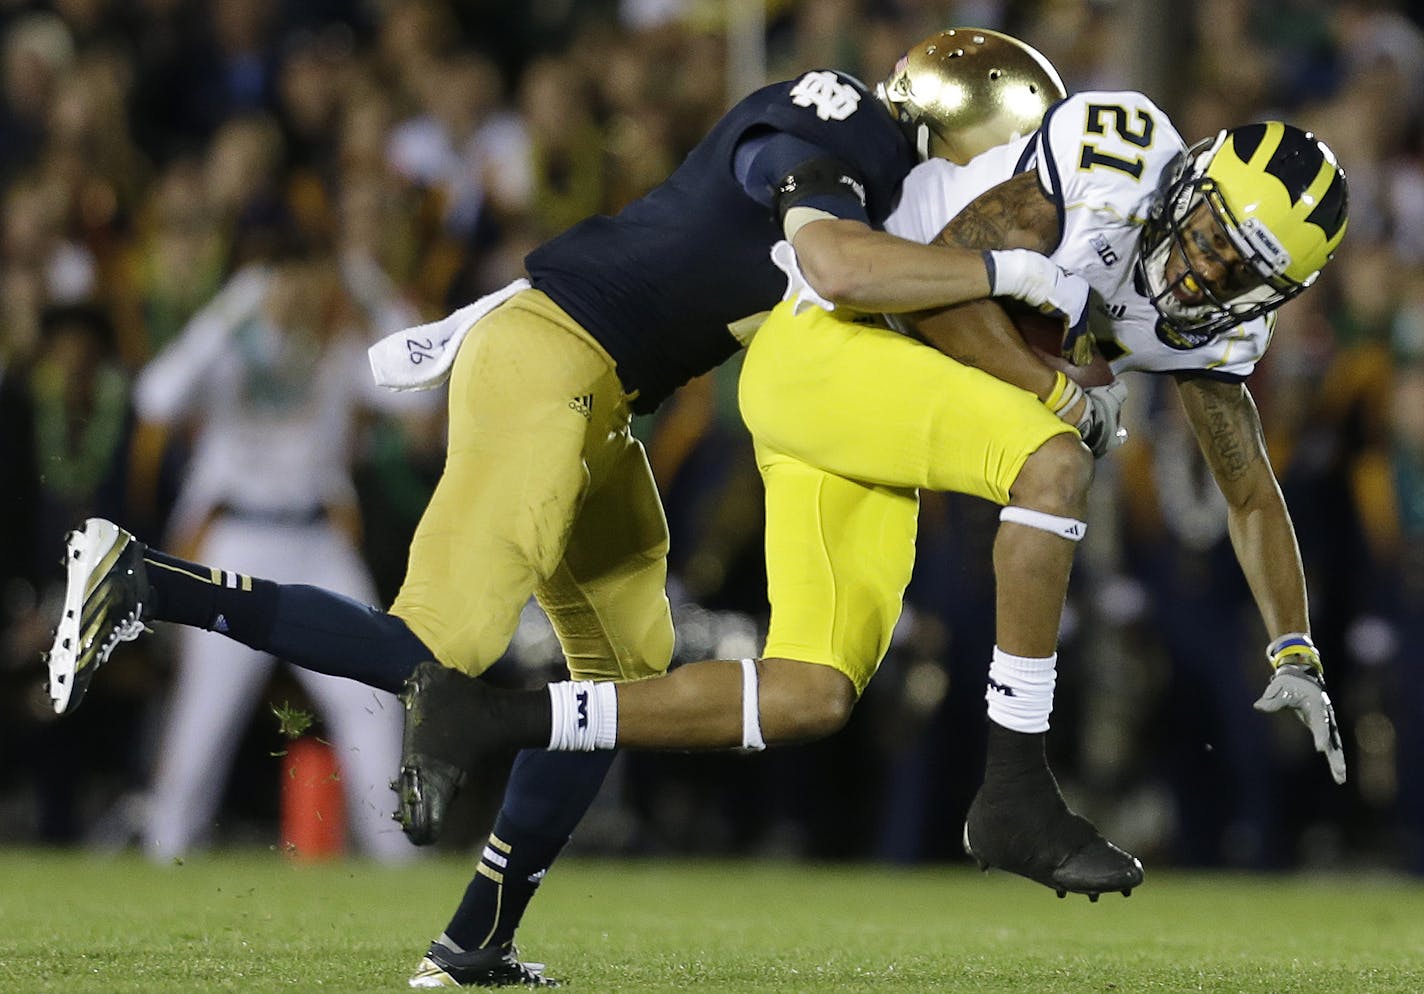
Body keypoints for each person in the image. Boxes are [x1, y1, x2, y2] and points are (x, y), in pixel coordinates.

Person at [47, 29, 1094, 988]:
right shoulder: (848, 134)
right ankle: (144, 578)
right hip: (552, 366)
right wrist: (1014, 268)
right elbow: (831, 260)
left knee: (611, 690)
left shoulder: (859, 143)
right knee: (434, 651)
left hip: (597, 391)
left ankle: (474, 943)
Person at [393, 90, 1350, 902]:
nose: (1204, 272)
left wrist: (1295, 645)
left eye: (1241, 272)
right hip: (837, 341)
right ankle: (1015, 790)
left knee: (809, 695)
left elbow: (1251, 492)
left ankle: (485, 720)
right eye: (1213, 238)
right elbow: (942, 285)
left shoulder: (1215, 333)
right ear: (1188, 183)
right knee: (1054, 459)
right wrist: (1052, 389)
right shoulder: (1113, 167)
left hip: (861, 403)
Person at [128, 239, 426, 863]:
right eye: (285, 280)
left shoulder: (339, 348)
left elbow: (422, 395)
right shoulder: (230, 347)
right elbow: (155, 396)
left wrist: (368, 284)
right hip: (236, 544)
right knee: (206, 715)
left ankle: (398, 857)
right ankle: (165, 849)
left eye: (310, 279)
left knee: (372, 697)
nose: (299, 294)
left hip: (318, 542)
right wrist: (233, 307)